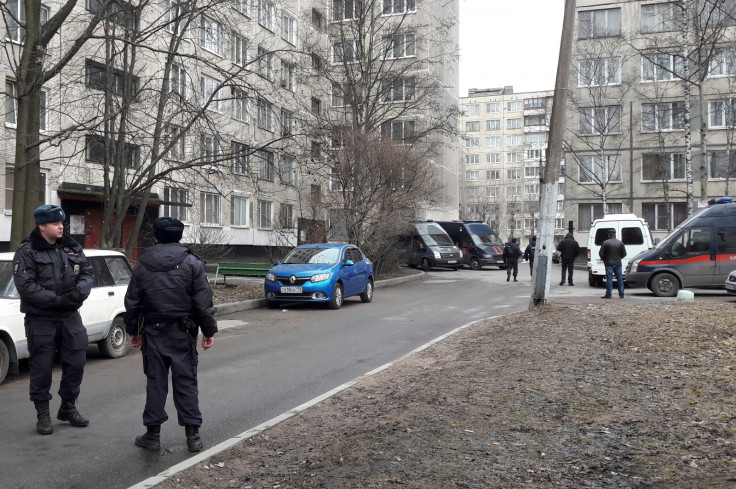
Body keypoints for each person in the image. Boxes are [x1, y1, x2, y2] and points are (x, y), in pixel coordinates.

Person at [124, 217, 218, 453]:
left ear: (156, 237)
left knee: (155, 383)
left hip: (153, 332)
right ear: (179, 236)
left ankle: (152, 435)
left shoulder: (142, 265)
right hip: (183, 332)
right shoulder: (192, 264)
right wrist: (209, 331)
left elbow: (132, 302)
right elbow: (203, 302)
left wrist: (133, 331)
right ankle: (193, 437)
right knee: (186, 382)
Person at [13, 204, 94, 435]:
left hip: (70, 316)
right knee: (41, 367)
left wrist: (77, 294)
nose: (61, 226)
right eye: (55, 223)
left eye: (62, 223)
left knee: (77, 361)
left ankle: (68, 407)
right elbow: (26, 286)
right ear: (42, 226)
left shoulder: (72, 246)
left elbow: (87, 273)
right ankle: (43, 413)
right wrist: (55, 300)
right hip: (41, 318)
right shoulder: (27, 252)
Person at [599, 229, 627, 299]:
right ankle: (621, 294)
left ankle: (609, 294)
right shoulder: (620, 243)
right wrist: (619, 258)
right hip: (618, 263)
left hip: (608, 263)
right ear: (615, 234)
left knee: (609, 279)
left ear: (608, 235)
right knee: (620, 279)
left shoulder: (605, 242)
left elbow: (601, 253)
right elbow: (624, 254)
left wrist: (604, 259)